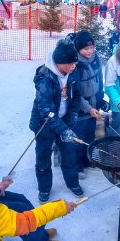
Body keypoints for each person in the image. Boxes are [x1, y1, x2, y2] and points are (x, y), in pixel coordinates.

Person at [29, 38, 85, 200]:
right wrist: (63, 129)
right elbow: (46, 110)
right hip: (44, 123)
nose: (74, 66)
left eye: (75, 63)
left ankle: (72, 183)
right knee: (43, 156)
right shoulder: (45, 78)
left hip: (64, 119)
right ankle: (44, 188)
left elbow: (76, 97)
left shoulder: (72, 73)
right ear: (60, 62)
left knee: (69, 153)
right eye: (71, 63)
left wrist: (73, 114)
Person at [71, 29, 105, 168]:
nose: (90, 51)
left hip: (94, 104)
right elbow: (75, 94)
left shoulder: (96, 59)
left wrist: (101, 99)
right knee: (79, 138)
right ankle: (78, 166)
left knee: (90, 135)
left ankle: (88, 160)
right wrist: (88, 108)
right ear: (79, 49)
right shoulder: (75, 65)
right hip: (80, 107)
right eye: (86, 49)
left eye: (91, 47)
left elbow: (100, 81)